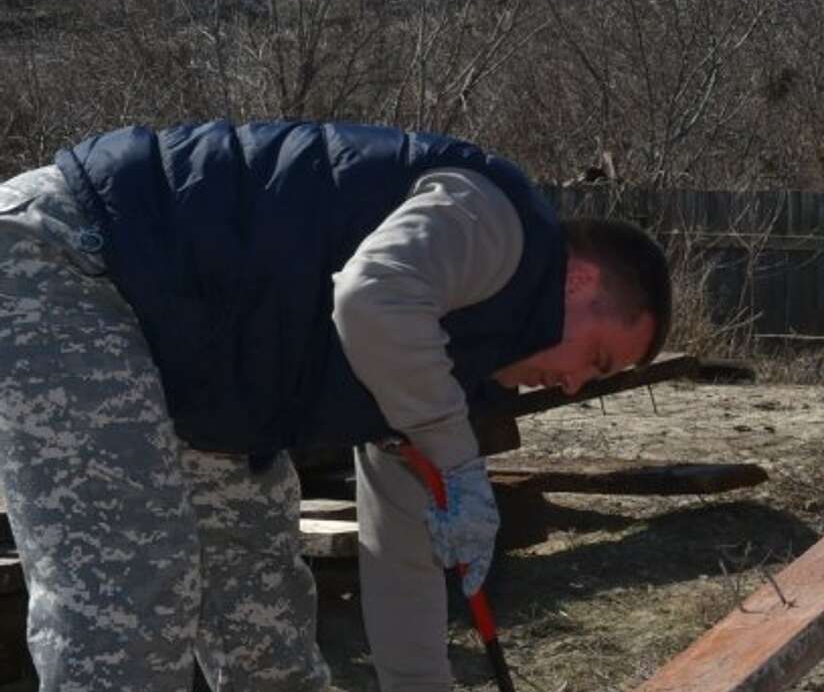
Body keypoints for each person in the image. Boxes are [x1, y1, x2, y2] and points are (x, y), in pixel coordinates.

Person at [0, 119, 672, 692]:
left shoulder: (445, 372)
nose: (579, 385)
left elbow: (401, 553)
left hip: (195, 373)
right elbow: (369, 296)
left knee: (266, 624)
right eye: (598, 358)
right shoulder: (497, 223)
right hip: (67, 260)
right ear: (581, 280)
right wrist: (455, 453)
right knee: (134, 600)